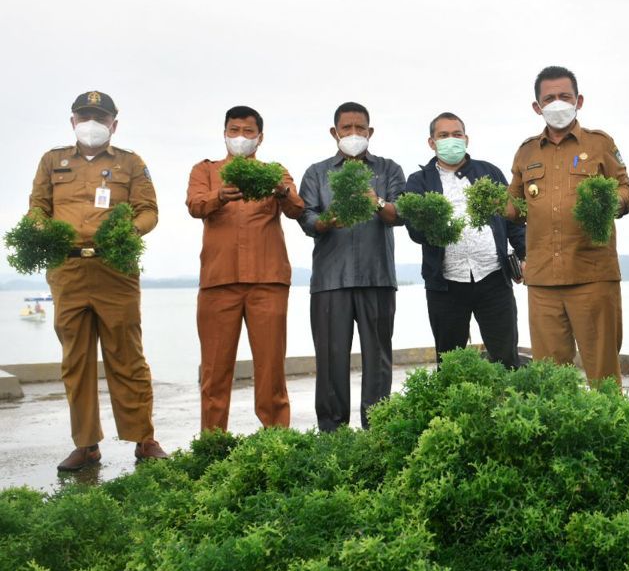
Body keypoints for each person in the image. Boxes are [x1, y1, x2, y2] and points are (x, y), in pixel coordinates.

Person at [28, 90, 167, 470]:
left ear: (113, 124)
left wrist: (128, 233)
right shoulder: (51, 161)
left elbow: (148, 210)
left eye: (101, 118)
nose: (93, 124)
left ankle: (144, 438)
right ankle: (86, 444)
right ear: (73, 121)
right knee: (76, 359)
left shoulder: (131, 163)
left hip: (115, 269)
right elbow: (37, 207)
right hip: (67, 271)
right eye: (85, 116)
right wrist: (41, 229)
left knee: (127, 355)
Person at [507, 66, 629, 385]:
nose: (557, 103)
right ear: (537, 107)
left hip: (592, 276)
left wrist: (610, 202)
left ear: (579, 100)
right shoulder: (526, 152)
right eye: (549, 98)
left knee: (603, 376)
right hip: (542, 281)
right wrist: (485, 203)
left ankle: (609, 433)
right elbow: (513, 206)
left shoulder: (600, 143)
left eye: (564, 96)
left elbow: (626, 191)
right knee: (550, 380)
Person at [186, 105, 304, 432]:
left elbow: (297, 208)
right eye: (234, 130)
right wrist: (219, 196)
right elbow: (195, 205)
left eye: (248, 131)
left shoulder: (274, 171)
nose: (241, 137)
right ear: (224, 134)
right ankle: (212, 443)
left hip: (268, 282)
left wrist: (281, 191)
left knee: (271, 369)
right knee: (214, 369)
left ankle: (276, 439)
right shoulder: (205, 171)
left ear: (260, 137)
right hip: (218, 282)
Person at [297, 102, 405, 431]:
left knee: (379, 359)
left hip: (378, 276)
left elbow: (402, 213)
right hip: (331, 280)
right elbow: (306, 216)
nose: (354, 134)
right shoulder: (317, 172)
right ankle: (333, 434)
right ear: (335, 133)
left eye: (361, 128)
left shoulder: (388, 170)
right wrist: (325, 221)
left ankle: (378, 430)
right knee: (330, 361)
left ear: (370, 132)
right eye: (347, 128)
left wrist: (378, 202)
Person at [402, 112, 526, 369]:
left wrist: (526, 256)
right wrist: (437, 227)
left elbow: (512, 219)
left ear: (466, 138)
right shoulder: (419, 181)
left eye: (456, 134)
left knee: (506, 358)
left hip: (493, 279)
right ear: (431, 142)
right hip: (445, 285)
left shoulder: (489, 172)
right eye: (443, 135)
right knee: (450, 363)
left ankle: (508, 406)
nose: (451, 140)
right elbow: (415, 231)